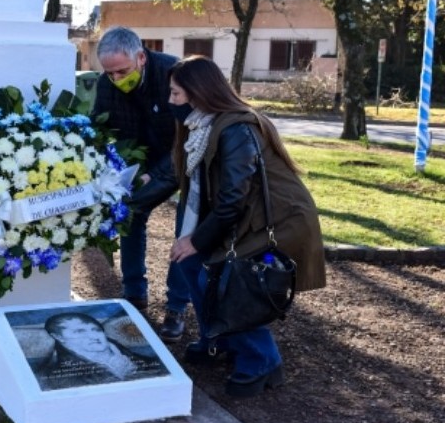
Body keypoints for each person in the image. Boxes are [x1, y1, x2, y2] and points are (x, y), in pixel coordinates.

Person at [166, 55, 326, 397]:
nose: (171, 102)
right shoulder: (203, 126)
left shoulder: (236, 128)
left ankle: (262, 360)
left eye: (176, 94)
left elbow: (231, 200)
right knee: (190, 264)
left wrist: (196, 240)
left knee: (222, 279)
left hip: (277, 221)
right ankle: (221, 338)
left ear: (197, 94)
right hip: (245, 217)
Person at [92, 26, 191, 341]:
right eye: (110, 74)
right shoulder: (106, 84)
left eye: (123, 71)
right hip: (138, 160)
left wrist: (155, 174)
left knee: (185, 230)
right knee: (129, 214)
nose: (117, 79)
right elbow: (101, 130)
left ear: (141, 57)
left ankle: (177, 306)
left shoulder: (174, 75)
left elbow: (188, 138)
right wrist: (113, 170)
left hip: (185, 158)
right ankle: (134, 293)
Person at [36, 312, 165, 390]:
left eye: (96, 329)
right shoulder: (53, 374)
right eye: (79, 331)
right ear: (58, 337)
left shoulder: (131, 354)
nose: (94, 336)